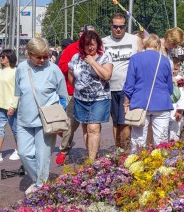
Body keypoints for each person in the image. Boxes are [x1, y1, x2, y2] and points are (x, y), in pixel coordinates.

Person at [15, 37, 67, 195]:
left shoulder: (53, 69)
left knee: (43, 156)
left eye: (46, 55)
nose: (43, 59)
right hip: (24, 119)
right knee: (24, 153)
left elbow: (63, 96)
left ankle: (40, 186)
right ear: (29, 54)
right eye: (39, 56)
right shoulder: (21, 68)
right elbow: (18, 93)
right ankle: (40, 179)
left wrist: (60, 119)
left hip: (47, 120)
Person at [123, 34, 173, 151]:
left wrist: (127, 102)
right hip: (161, 103)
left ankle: (136, 164)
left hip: (140, 103)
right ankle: (160, 165)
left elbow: (129, 85)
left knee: (138, 140)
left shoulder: (135, 58)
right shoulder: (164, 60)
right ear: (158, 45)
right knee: (161, 141)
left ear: (145, 44)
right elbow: (169, 87)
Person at [68, 30, 113, 159]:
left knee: (93, 127)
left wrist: (92, 62)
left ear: (98, 44)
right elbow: (71, 75)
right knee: (86, 129)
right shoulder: (76, 57)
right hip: (81, 98)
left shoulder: (105, 57)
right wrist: (78, 87)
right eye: (87, 45)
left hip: (99, 98)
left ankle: (92, 161)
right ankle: (91, 155)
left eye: (93, 44)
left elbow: (106, 75)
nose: (90, 47)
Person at [103, 13, 142, 151]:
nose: (118, 29)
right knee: (116, 122)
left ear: (125, 26)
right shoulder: (104, 42)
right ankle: (118, 150)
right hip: (110, 87)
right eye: (115, 26)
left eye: (121, 26)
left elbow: (141, 62)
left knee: (126, 122)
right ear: (111, 26)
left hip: (129, 88)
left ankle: (125, 151)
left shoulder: (135, 39)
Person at [55, 30, 89, 165]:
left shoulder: (96, 48)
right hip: (73, 92)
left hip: (91, 94)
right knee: (70, 124)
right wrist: (74, 67)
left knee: (91, 127)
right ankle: (64, 149)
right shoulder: (71, 48)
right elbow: (61, 66)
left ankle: (91, 153)